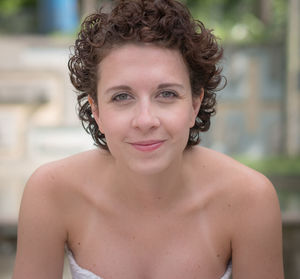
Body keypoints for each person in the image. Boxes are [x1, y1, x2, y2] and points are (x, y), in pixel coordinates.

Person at [13, 0, 284, 278]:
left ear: (194, 104)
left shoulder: (249, 200)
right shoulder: (51, 193)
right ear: (96, 110)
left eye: (166, 94)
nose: (145, 120)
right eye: (122, 96)